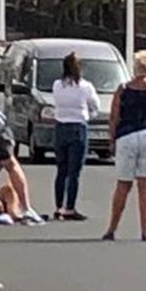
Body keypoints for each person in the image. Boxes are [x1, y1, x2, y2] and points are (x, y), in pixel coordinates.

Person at [103, 50, 146, 242]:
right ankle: (145, 230)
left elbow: (114, 117)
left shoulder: (124, 89)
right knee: (145, 186)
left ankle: (112, 228)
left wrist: (112, 140)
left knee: (123, 184)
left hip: (127, 136)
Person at [51, 52, 100, 221]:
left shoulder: (57, 85)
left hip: (60, 127)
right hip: (78, 127)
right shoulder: (85, 87)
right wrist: (89, 115)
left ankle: (58, 207)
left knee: (61, 170)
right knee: (74, 172)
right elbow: (95, 106)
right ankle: (70, 208)